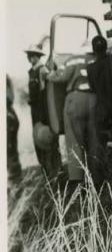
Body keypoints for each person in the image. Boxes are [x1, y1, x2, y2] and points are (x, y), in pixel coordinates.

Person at [47, 44, 99, 185]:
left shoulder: (73, 59)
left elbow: (61, 77)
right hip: (94, 99)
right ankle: (96, 178)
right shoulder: (95, 58)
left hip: (76, 99)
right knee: (94, 139)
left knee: (74, 140)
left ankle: (77, 179)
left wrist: (50, 74)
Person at [25, 43, 61, 177]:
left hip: (43, 110)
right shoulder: (31, 71)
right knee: (37, 139)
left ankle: (55, 169)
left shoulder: (42, 70)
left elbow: (50, 83)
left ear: (38, 56)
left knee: (48, 138)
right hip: (35, 110)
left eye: (33, 55)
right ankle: (46, 169)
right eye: (29, 55)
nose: (30, 58)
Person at [87, 35, 112, 183]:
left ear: (93, 50)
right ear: (106, 47)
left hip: (101, 109)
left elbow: (92, 88)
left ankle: (101, 179)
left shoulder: (90, 68)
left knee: (100, 144)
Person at [6, 75, 22, 184]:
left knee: (9, 149)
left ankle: (15, 179)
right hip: (9, 115)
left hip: (8, 117)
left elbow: (9, 97)